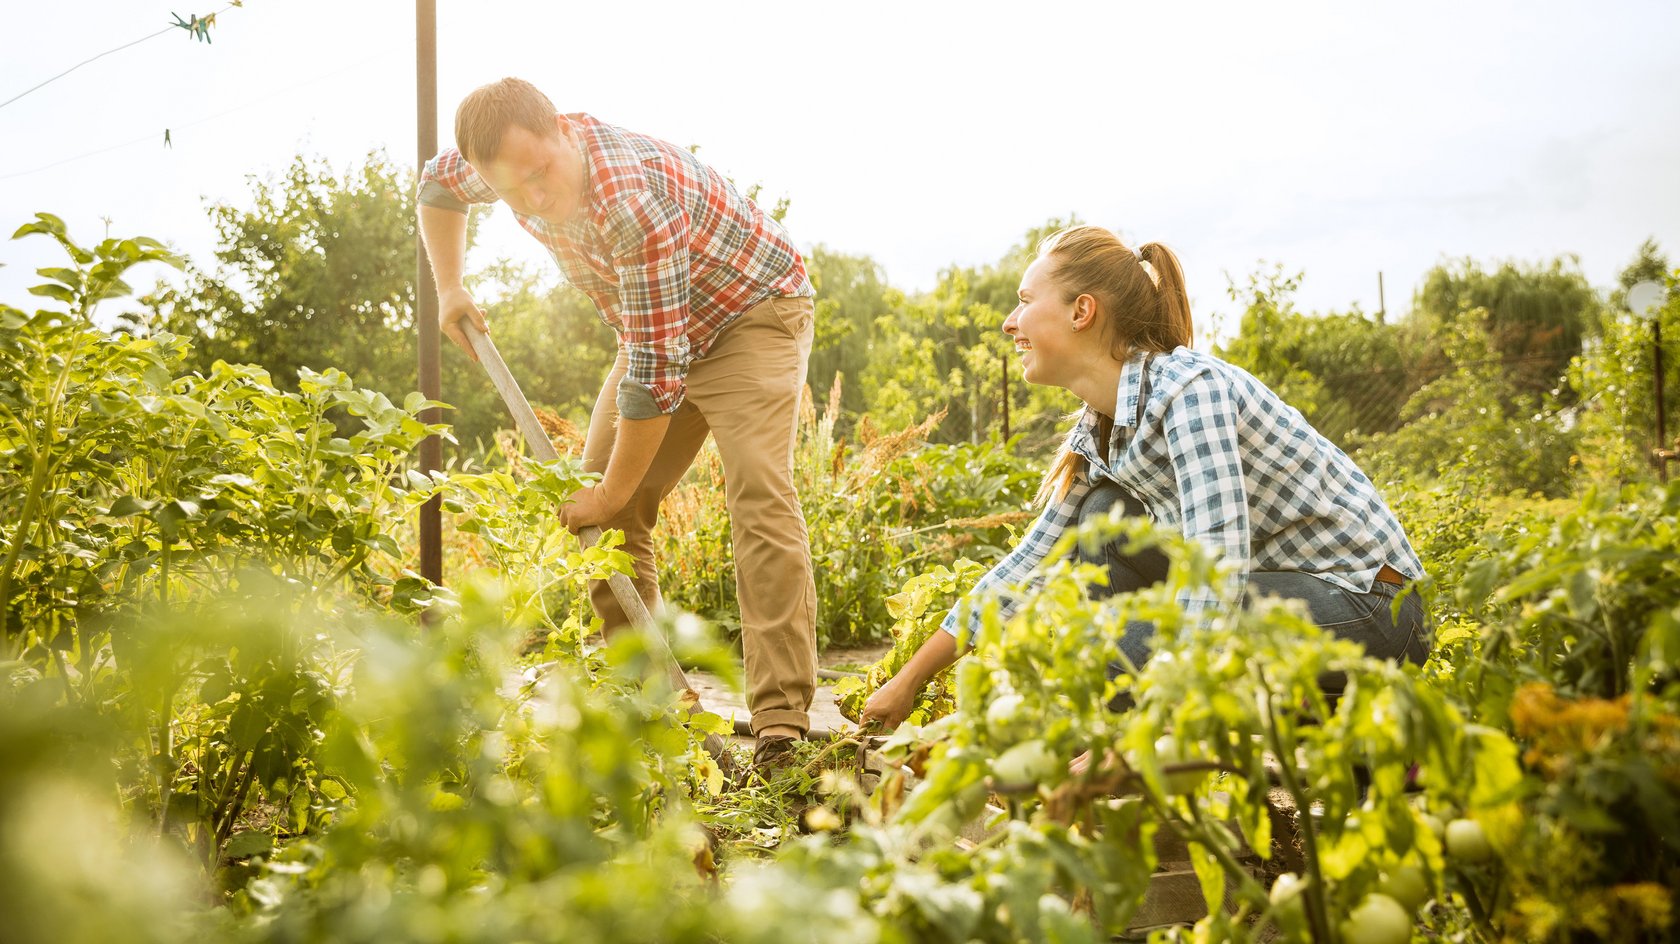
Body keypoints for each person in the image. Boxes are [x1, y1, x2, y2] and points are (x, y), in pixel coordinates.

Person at [860, 226, 1429, 729]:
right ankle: (1125, 747)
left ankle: (1128, 754)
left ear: (1082, 312)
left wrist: (1137, 729)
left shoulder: (1188, 392)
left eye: (1025, 301)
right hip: (1286, 593)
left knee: (1138, 640)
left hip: (1370, 606)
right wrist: (908, 682)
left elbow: (1216, 572)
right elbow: (1029, 565)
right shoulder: (1100, 430)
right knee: (1103, 520)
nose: (1010, 322)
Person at [417, 78, 818, 769]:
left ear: (563, 131)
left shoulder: (635, 201)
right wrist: (449, 284)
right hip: (656, 333)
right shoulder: (503, 166)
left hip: (753, 312)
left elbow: (658, 377)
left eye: (542, 174)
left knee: (755, 490)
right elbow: (437, 184)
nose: (536, 200)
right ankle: (660, 708)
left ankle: (780, 726)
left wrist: (610, 490)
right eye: (514, 192)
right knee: (601, 519)